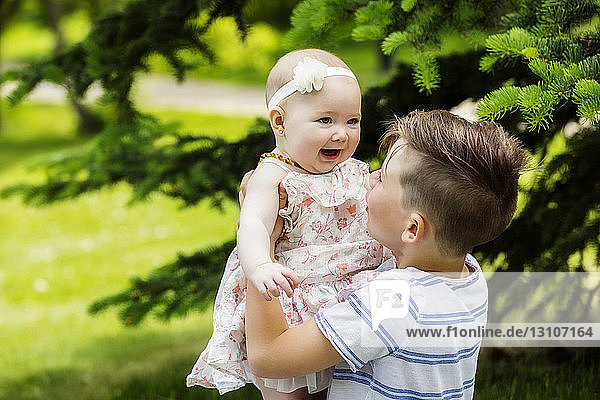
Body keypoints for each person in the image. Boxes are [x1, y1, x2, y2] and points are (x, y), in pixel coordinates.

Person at [245, 110, 531, 399]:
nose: (368, 180)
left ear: (412, 228)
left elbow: (268, 355)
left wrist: (266, 240)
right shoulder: (468, 275)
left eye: (382, 179)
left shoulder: (392, 302)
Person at [186, 49, 388, 399]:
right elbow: (252, 226)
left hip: (347, 293)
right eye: (325, 120)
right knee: (290, 391)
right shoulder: (273, 177)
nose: (341, 134)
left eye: (352, 121)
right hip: (291, 298)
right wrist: (260, 265)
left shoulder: (352, 171)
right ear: (279, 122)